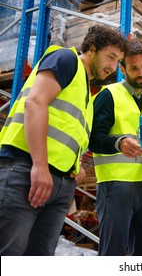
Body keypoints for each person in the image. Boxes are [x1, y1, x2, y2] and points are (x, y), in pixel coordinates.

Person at [0, 24, 128, 256]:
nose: (113, 66)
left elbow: (69, 132)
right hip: (27, 170)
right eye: (110, 57)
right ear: (91, 49)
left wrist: (75, 168)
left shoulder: (87, 92)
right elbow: (35, 103)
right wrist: (40, 166)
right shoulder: (65, 58)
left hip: (58, 181)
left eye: (118, 61)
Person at [88, 39, 142, 256]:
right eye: (134, 68)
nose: (141, 73)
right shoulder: (108, 95)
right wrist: (119, 142)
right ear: (123, 68)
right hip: (115, 186)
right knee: (113, 251)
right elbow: (93, 139)